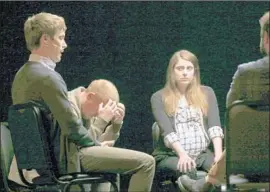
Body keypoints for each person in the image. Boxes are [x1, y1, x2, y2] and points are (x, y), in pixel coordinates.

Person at [10, 12, 155, 192]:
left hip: (40, 163)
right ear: (45, 39)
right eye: (61, 38)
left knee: (110, 165)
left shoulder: (21, 76)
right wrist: (97, 145)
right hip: (62, 160)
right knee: (146, 163)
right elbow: (72, 128)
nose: (64, 45)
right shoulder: (49, 78)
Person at [179, 10, 269, 192]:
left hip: (249, 163)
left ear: (266, 37)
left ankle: (208, 183)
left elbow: (232, 121)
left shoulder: (246, 73)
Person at [150, 49, 224, 191]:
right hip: (170, 155)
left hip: (201, 154)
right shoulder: (158, 97)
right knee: (188, 169)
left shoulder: (207, 92)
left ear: (194, 71)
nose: (185, 72)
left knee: (221, 171)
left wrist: (219, 156)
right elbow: (167, 131)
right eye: (180, 68)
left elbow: (215, 126)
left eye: (189, 68)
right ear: (172, 71)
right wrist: (183, 155)